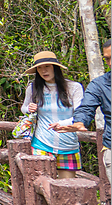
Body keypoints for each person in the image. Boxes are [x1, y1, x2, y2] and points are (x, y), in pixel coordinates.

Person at [20, 51, 84, 179]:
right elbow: (23, 108)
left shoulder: (74, 87)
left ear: (55, 67)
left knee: (67, 189)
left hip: (68, 145)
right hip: (41, 143)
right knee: (41, 187)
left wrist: (63, 124)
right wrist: (29, 108)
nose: (44, 71)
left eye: (47, 66)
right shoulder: (33, 88)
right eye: (39, 68)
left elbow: (80, 114)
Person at [69, 40, 111, 182]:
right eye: (107, 59)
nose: (110, 63)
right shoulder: (99, 84)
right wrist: (79, 122)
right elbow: (86, 107)